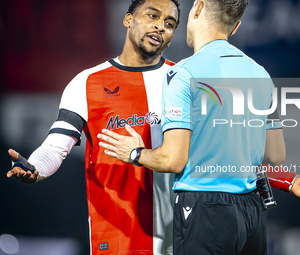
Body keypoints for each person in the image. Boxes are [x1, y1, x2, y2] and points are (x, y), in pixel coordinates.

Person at [97, 0, 300, 254]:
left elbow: (173, 160)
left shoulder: (183, 74)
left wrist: (135, 152)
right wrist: (289, 181)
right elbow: (275, 156)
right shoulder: (261, 75)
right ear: (236, 27)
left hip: (204, 209)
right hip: (252, 214)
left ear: (197, 7)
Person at [7, 0, 181, 254]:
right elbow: (56, 146)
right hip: (114, 232)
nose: (160, 27)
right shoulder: (87, 82)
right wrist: (35, 167)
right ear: (128, 19)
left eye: (169, 23)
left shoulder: (184, 81)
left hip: (178, 235)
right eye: (152, 16)